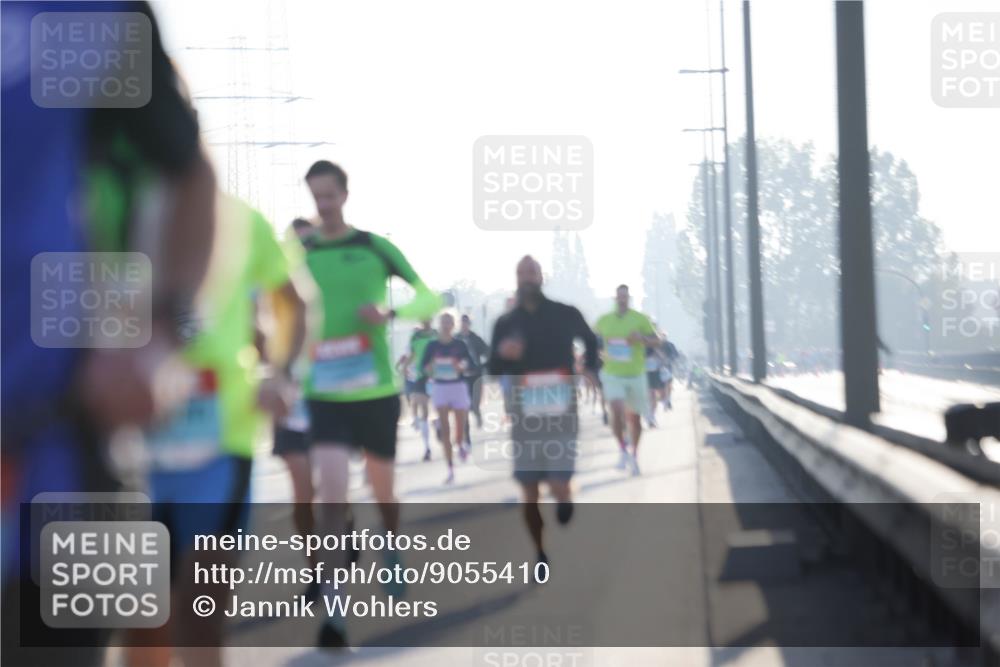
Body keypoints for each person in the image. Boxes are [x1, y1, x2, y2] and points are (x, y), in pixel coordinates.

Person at [135, 194, 306, 667]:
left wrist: (281, 374)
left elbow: (293, 300)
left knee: (200, 615)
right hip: (128, 441)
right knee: (144, 622)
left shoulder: (244, 219)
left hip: (220, 440)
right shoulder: (104, 198)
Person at [299, 160, 441, 649]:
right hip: (325, 394)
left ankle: (391, 545)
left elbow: (430, 298)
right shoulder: (301, 253)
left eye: (329, 196)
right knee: (331, 495)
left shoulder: (374, 247)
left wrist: (391, 311)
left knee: (383, 494)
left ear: (345, 194)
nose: (323, 205)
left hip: (376, 392)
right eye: (315, 197)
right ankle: (335, 614)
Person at [488, 256, 598, 566]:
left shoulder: (565, 313)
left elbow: (591, 340)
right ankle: (539, 551)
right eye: (521, 273)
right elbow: (493, 369)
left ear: (541, 277)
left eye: (531, 272)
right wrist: (503, 354)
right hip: (524, 414)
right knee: (529, 490)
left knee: (558, 483)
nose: (527, 278)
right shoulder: (505, 323)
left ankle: (565, 497)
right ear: (516, 278)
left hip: (561, 411)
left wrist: (590, 367)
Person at [593, 285, 659, 476]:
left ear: (628, 298)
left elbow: (657, 340)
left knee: (634, 419)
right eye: (619, 296)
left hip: (636, 373)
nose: (622, 299)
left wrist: (642, 338)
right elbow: (591, 339)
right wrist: (596, 353)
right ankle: (622, 450)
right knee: (616, 409)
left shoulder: (640, 319)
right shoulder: (604, 320)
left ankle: (634, 455)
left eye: (625, 296)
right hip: (612, 373)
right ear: (615, 298)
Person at [421, 312, 476, 483]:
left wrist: (461, 366)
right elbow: (424, 367)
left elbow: (471, 364)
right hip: (440, 387)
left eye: (449, 322)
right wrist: (430, 367)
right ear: (439, 324)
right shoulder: (432, 345)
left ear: (454, 325)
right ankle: (450, 469)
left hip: (458, 387)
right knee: (445, 430)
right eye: (443, 322)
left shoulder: (460, 344)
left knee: (460, 429)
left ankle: (460, 444)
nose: (446, 325)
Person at [455, 313, 490, 441]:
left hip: (476, 375)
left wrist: (483, 366)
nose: (464, 325)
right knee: (464, 405)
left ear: (469, 324)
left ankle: (477, 413)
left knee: (474, 403)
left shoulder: (475, 338)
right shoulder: (455, 339)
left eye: (466, 322)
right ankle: (466, 435)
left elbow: (488, 352)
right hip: (461, 377)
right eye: (462, 323)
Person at [406, 320, 437, 459]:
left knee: (439, 408)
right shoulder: (415, 337)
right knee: (423, 409)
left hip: (437, 375)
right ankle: (427, 447)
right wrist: (405, 367)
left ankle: (439, 426)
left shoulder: (436, 334)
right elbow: (412, 354)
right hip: (420, 375)